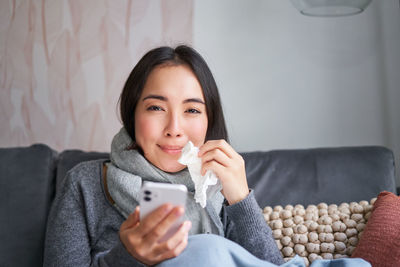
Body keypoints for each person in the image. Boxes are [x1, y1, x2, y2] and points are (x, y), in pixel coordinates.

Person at [43, 45, 284, 266]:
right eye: (156, 108)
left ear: (208, 121)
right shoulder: (84, 184)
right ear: (133, 114)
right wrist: (128, 257)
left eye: (192, 110)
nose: (174, 129)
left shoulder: (219, 189)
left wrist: (241, 199)